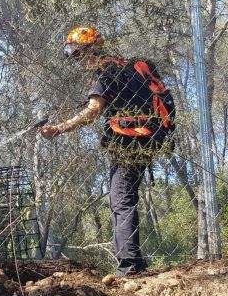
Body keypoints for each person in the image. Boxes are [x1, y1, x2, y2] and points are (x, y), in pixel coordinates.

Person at [39, 26, 175, 276]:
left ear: (91, 49)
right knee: (125, 197)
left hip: (127, 141)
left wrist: (59, 128)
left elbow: (93, 111)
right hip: (150, 137)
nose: (77, 61)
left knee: (121, 199)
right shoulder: (129, 66)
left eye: (78, 55)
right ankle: (135, 263)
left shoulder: (105, 71)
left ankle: (129, 267)